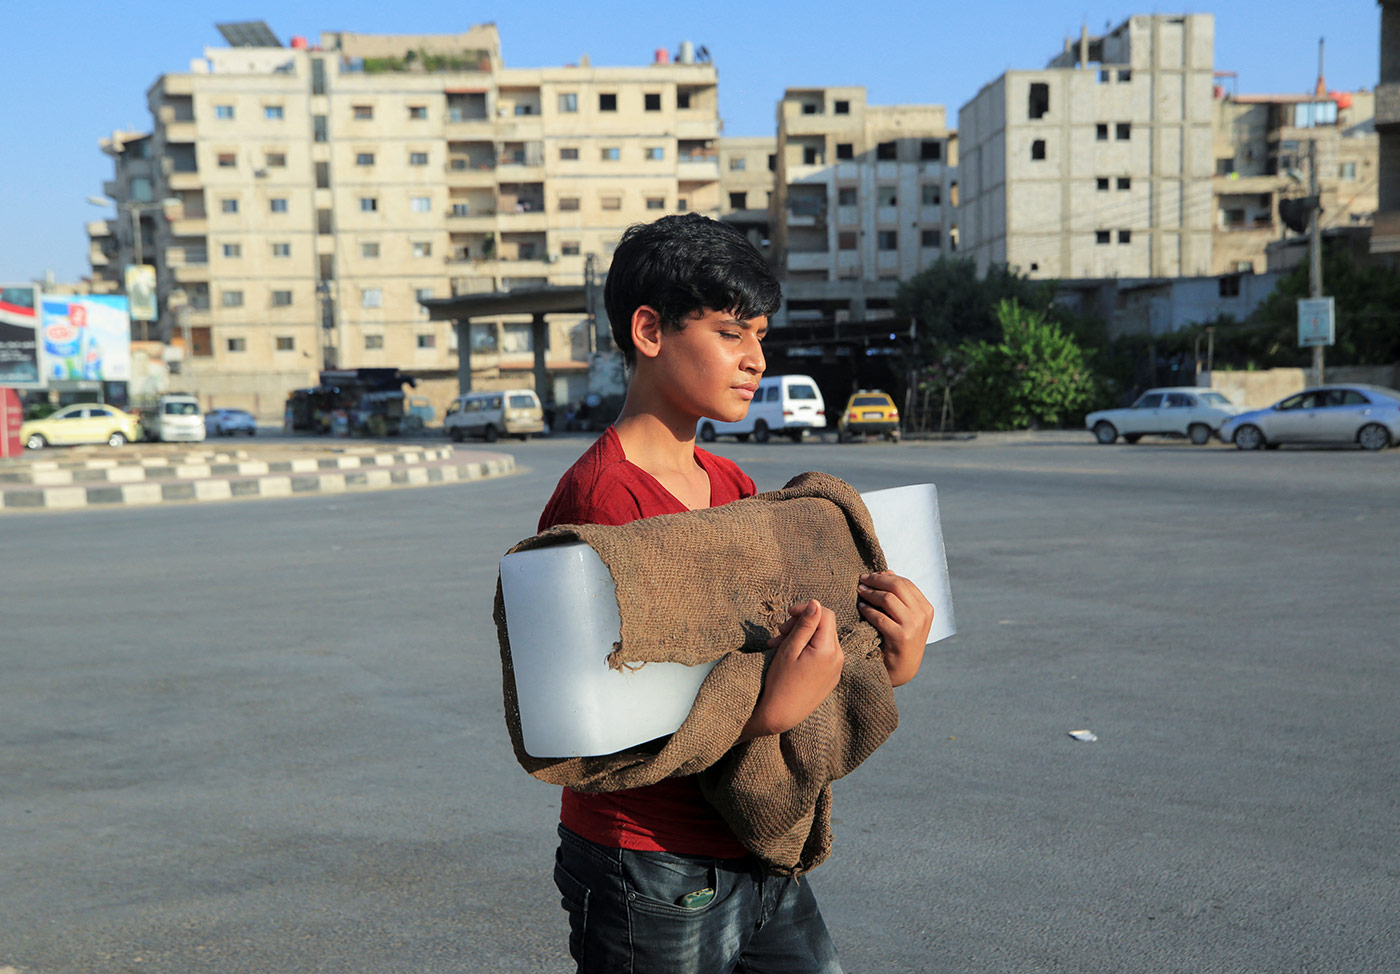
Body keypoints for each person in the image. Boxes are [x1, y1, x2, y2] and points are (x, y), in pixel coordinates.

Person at [537, 213, 934, 973]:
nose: (756, 359)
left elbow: (777, 652)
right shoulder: (601, 503)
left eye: (760, 335)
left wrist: (890, 659)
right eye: (730, 333)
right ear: (649, 331)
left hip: (756, 840)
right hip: (651, 864)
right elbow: (591, 723)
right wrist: (770, 710)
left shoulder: (733, 484)